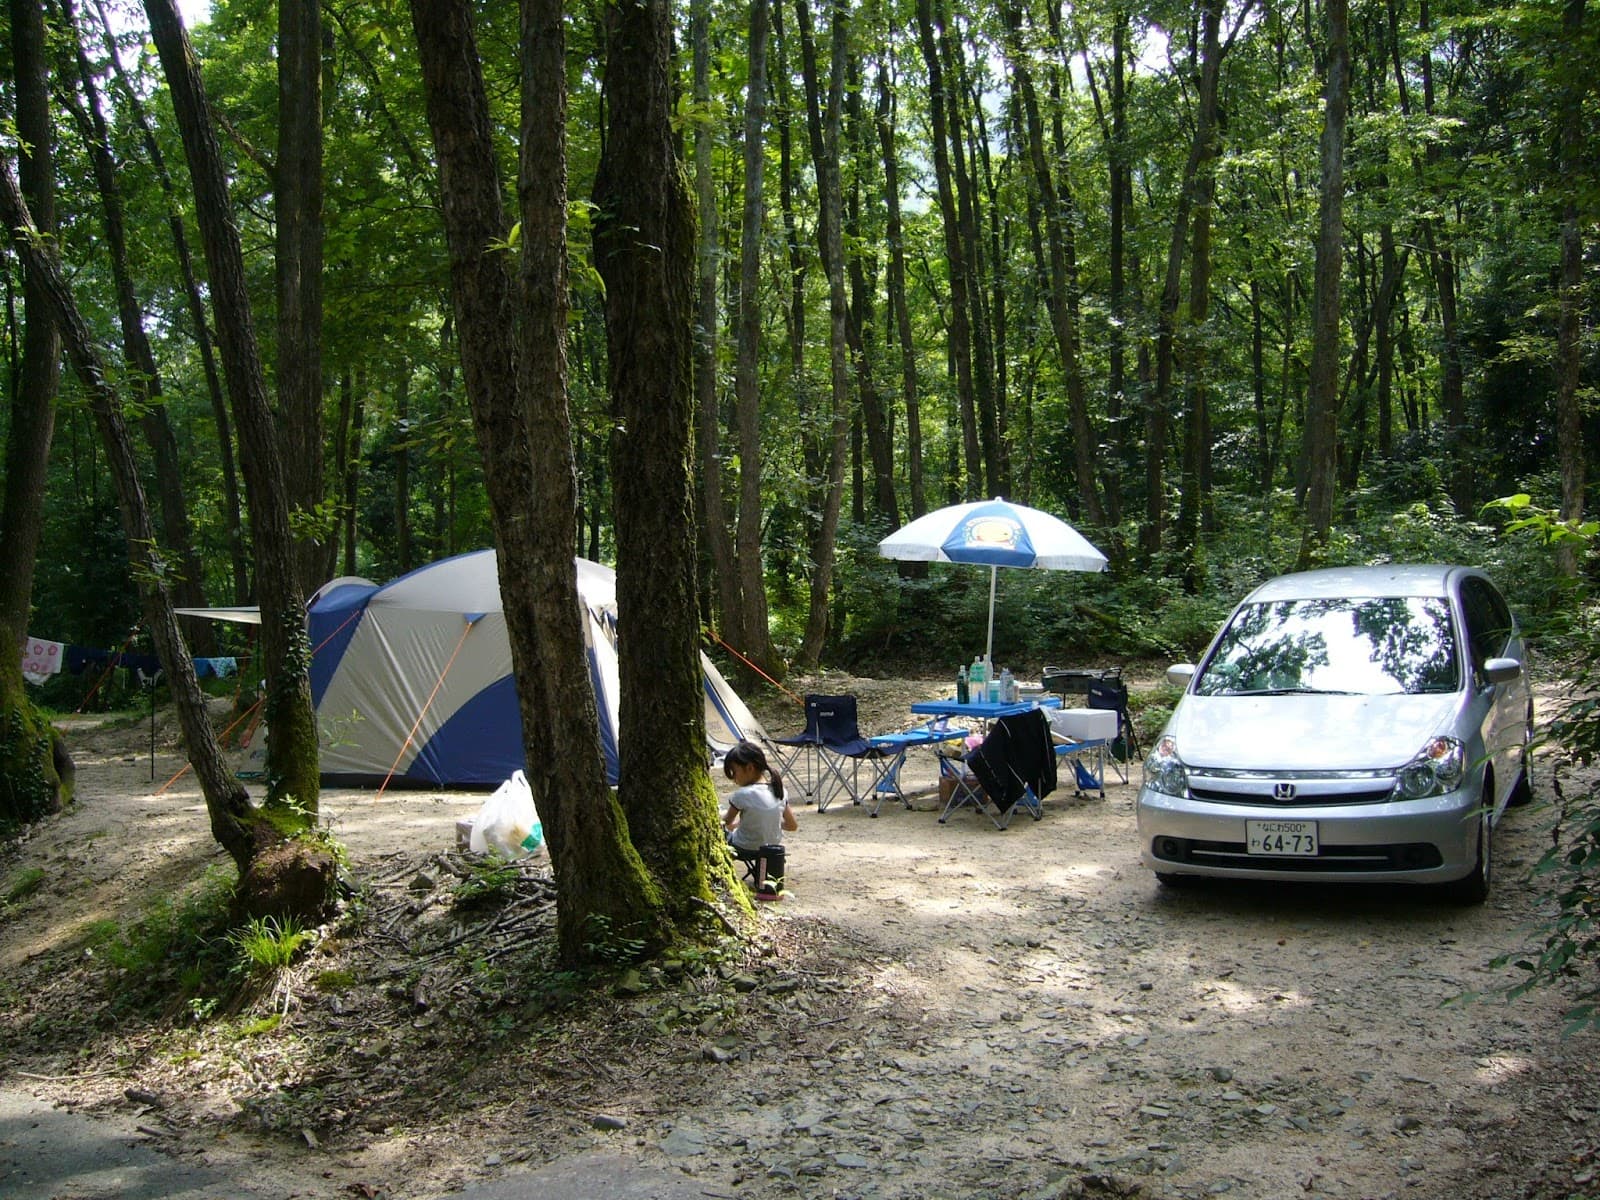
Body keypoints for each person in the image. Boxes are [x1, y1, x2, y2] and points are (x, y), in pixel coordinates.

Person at [721, 740, 797, 897]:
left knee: (720, 829)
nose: (734, 779)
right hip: (771, 850)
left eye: (734, 773)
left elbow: (726, 822)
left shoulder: (742, 795)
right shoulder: (778, 790)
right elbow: (792, 825)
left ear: (749, 768)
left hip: (745, 848)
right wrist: (769, 821)